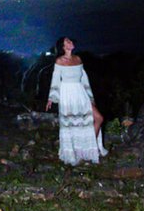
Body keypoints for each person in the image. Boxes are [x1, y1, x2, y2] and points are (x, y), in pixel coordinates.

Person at [44, 36, 106, 165]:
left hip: (81, 93)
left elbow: (84, 79)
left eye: (71, 40)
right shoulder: (59, 61)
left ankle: (89, 150)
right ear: (63, 46)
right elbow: (56, 80)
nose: (71, 42)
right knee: (72, 125)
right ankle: (79, 154)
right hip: (67, 94)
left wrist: (90, 97)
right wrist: (51, 97)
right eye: (68, 41)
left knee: (98, 118)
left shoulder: (78, 59)